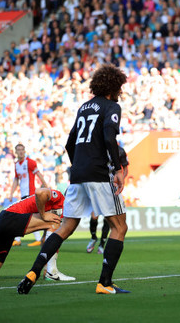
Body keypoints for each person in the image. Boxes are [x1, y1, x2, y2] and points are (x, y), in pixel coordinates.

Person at [18, 64, 129, 295]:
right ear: (113, 86)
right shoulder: (112, 106)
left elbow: (70, 143)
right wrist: (117, 168)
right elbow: (110, 136)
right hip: (99, 173)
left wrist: (79, 164)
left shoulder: (83, 108)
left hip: (77, 174)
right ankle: (105, 283)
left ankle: (33, 271)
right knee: (119, 227)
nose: (120, 91)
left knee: (66, 226)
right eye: (119, 87)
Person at [0, 188, 74, 281]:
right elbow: (40, 192)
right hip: (8, 218)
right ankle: (52, 272)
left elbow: (46, 240)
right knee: (55, 222)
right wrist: (43, 215)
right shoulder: (59, 198)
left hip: (1, 222)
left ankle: (49, 271)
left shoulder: (63, 209)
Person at [87, 146, 129, 254]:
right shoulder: (98, 148)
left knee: (108, 217)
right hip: (98, 185)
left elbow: (125, 168)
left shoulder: (120, 151)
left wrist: (121, 180)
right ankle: (93, 237)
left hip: (112, 186)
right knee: (94, 216)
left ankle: (102, 244)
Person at [8, 143, 48, 247]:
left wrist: (45, 185)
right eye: (19, 150)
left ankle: (21, 239)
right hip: (23, 195)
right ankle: (35, 238)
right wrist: (11, 193)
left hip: (31, 194)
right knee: (27, 216)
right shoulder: (17, 165)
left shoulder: (30, 162)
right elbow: (16, 180)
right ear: (16, 152)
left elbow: (38, 174)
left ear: (24, 151)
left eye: (22, 149)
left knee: (24, 216)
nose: (21, 151)